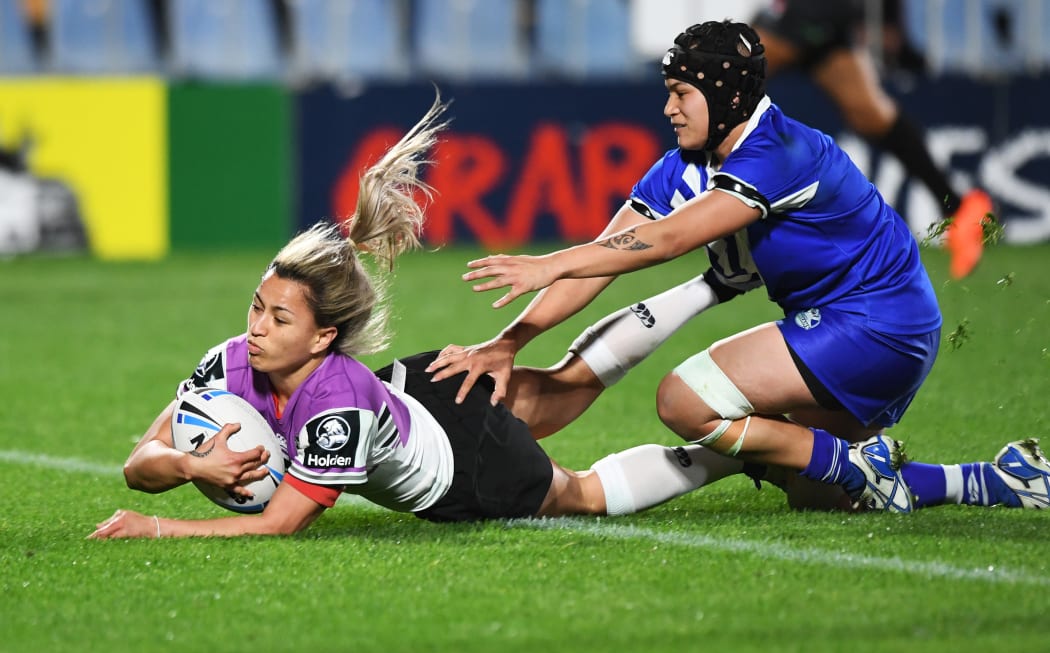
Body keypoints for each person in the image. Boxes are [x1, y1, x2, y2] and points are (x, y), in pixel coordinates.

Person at [430, 20, 1049, 514]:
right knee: (815, 491)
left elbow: (666, 240)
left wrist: (549, 264)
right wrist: (511, 341)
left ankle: (852, 461)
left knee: (684, 400)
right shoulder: (683, 163)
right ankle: (993, 481)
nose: (669, 108)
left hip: (877, 325)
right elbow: (606, 260)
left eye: (681, 94)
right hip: (851, 330)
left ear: (725, 94)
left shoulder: (779, 151)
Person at [87, 96, 741, 540]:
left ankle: (735, 456)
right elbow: (140, 460)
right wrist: (192, 467)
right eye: (257, 307)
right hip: (423, 387)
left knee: (586, 494)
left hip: (466, 469)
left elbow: (278, 524)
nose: (256, 327)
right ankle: (718, 282)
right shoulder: (231, 361)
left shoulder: (334, 404)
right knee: (571, 385)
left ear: (323, 337)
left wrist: (159, 526)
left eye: (278, 319)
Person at [750, 0, 993, 280]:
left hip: (811, 12)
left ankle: (709, 202)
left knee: (733, 75)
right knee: (870, 114)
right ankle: (959, 208)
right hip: (815, 14)